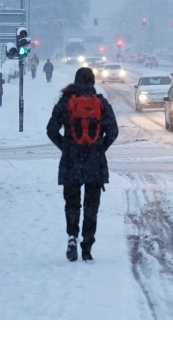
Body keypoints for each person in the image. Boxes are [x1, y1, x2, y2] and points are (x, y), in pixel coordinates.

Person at [46, 67, 119, 262]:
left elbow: (51, 130)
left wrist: (66, 147)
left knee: (72, 204)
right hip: (95, 163)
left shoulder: (66, 102)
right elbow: (113, 131)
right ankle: (87, 245)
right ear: (93, 82)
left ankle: (72, 236)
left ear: (76, 81)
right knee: (91, 206)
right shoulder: (101, 103)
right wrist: (99, 148)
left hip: (71, 161)